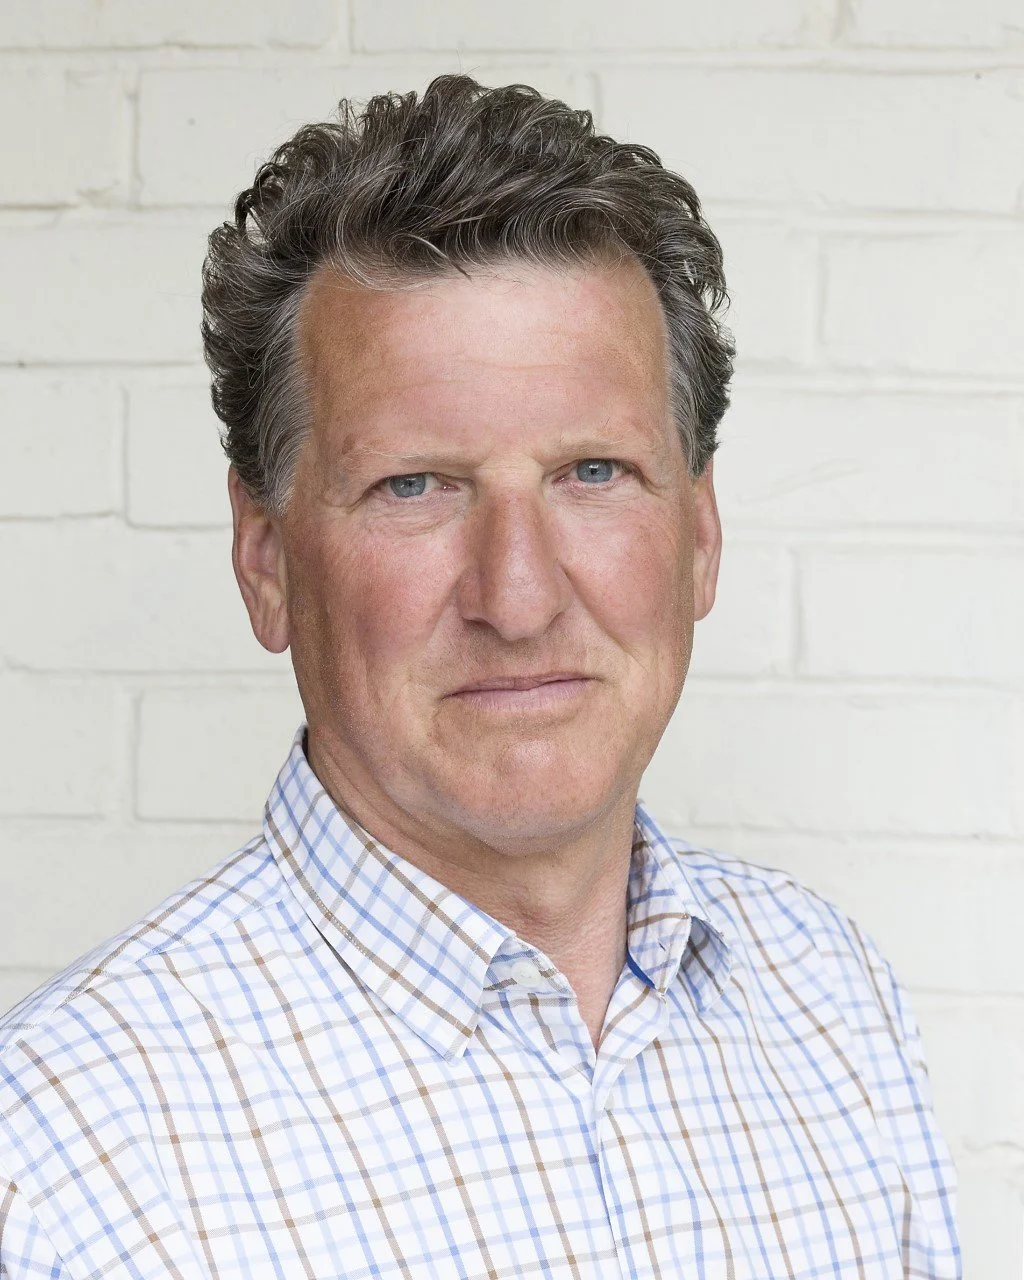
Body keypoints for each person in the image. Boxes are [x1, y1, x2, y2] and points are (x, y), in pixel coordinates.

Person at [0, 76, 959, 1278]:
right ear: (265, 562)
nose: (518, 596)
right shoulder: (64, 1158)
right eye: (415, 485)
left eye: (593, 471)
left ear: (700, 537)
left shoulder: (829, 998)